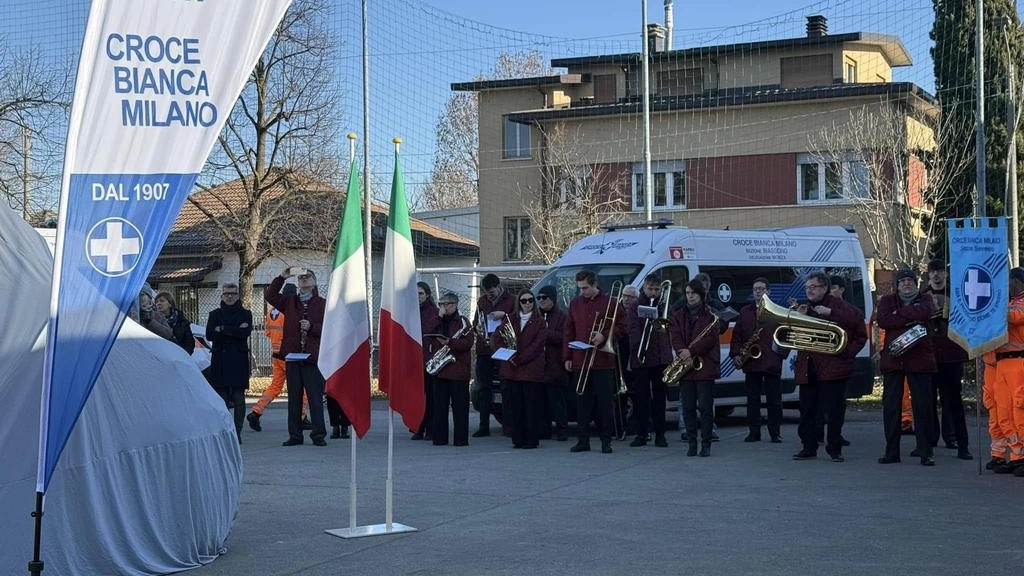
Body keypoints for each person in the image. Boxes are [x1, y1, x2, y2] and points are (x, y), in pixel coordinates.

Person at [791, 271, 867, 463]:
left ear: (825, 288)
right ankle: (808, 447)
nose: (809, 291)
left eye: (813, 287)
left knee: (833, 411)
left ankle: (834, 449)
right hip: (808, 366)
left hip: (834, 367)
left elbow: (859, 328)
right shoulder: (804, 307)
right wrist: (797, 319)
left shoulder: (838, 306)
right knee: (807, 410)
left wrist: (831, 314)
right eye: (807, 287)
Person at [265, 267, 336, 446]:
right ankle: (295, 435)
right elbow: (270, 296)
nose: (304, 280)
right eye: (301, 278)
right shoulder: (290, 302)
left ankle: (318, 434)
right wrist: (282, 277)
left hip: (312, 358)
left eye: (307, 277)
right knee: (294, 399)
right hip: (293, 358)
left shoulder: (322, 304)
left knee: (315, 398)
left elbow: (331, 329)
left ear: (314, 282)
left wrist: (312, 327)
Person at [876, 268, 938, 467]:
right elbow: (884, 320)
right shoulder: (887, 301)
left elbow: (927, 312)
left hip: (920, 360)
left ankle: (925, 451)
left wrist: (900, 313)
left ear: (916, 283)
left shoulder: (926, 299)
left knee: (923, 407)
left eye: (910, 280)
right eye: (902, 281)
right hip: (894, 360)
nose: (906, 284)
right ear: (897, 285)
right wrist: (912, 317)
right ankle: (891, 451)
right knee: (891, 408)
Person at [564, 270, 625, 454]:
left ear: (594, 285)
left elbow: (622, 327)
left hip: (603, 360)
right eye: (580, 288)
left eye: (586, 288)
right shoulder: (575, 304)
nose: (583, 291)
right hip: (580, 359)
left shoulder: (611, 303)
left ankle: (606, 440)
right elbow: (568, 331)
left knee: (605, 403)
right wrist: (567, 356)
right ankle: (583, 440)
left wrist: (604, 335)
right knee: (581, 402)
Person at [920, 259, 972, 459]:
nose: (937, 275)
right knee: (927, 401)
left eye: (940, 271)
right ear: (928, 274)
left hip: (952, 355)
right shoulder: (923, 296)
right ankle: (930, 440)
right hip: (928, 357)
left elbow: (967, 319)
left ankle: (959, 443)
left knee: (953, 402)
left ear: (946, 274)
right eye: (933, 271)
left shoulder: (957, 295)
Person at [669, 279, 721, 457]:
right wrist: (681, 352)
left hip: (705, 366)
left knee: (706, 408)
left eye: (693, 293)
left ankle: (706, 443)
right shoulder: (678, 314)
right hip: (686, 367)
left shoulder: (711, 315)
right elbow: (674, 335)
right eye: (688, 293)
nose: (690, 296)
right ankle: (692, 443)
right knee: (688, 407)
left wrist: (689, 351)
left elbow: (710, 339)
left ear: (701, 295)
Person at [247, 283, 309, 432]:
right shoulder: (290, 311)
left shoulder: (271, 311)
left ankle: (256, 411)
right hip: (290, 355)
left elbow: (268, 333)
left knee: (275, 386)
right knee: (303, 388)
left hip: (276, 355)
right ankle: (301, 418)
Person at [730, 277, 784, 443]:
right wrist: (736, 354)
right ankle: (754, 432)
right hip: (751, 362)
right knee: (753, 400)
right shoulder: (745, 312)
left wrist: (780, 355)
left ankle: (775, 432)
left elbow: (785, 335)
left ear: (768, 291)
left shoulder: (777, 311)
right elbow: (737, 335)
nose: (758, 292)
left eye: (761, 289)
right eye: (755, 289)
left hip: (771, 361)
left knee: (774, 400)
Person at [496, 289, 547, 449]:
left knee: (531, 407)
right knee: (515, 407)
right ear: (518, 302)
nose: (527, 304)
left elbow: (538, 345)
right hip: (511, 371)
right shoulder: (509, 319)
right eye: (523, 301)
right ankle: (518, 439)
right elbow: (498, 338)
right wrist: (506, 354)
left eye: (530, 300)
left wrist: (519, 358)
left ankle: (531, 440)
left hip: (530, 371)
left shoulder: (540, 321)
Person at [627, 275, 672, 447]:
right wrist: (640, 349)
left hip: (661, 358)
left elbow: (670, 326)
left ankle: (661, 434)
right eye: (650, 289)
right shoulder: (634, 306)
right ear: (644, 288)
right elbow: (632, 330)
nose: (653, 293)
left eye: (656, 289)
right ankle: (642, 433)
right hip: (642, 357)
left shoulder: (664, 305)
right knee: (641, 398)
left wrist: (661, 313)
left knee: (660, 398)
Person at [206, 283, 253, 443]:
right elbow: (210, 335)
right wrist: (234, 330)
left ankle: (237, 431)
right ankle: (226, 430)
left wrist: (223, 329)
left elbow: (244, 333)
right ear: (222, 296)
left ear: (238, 295)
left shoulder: (246, 314)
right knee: (222, 398)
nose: (230, 296)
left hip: (238, 359)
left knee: (239, 398)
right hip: (221, 359)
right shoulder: (214, 314)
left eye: (233, 293)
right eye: (226, 294)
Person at [472, 273, 515, 437]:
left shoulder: (512, 300)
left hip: (502, 349)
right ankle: (484, 426)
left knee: (505, 387)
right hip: (485, 349)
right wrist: (477, 328)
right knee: (484, 388)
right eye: (486, 292)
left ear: (498, 287)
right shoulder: (482, 302)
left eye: (492, 292)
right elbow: (477, 321)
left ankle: (508, 426)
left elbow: (519, 319)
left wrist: (504, 315)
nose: (489, 295)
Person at [991, 267, 1024, 476]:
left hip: (1019, 362)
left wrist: (992, 304)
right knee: (1004, 412)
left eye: (1009, 282)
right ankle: (1015, 456)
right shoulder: (1010, 302)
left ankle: (1022, 456)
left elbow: (1014, 317)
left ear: (1017, 282)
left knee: (1019, 410)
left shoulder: (1018, 304)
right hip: (1002, 363)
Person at [432, 292, 474, 446]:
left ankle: (461, 440)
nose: (443, 307)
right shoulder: (438, 320)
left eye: (446, 304)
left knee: (460, 408)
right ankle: (440, 439)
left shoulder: (463, 322)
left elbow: (467, 344)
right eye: (441, 304)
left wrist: (449, 342)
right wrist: (438, 317)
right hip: (440, 371)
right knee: (439, 407)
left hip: (458, 371)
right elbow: (428, 331)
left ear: (455, 305)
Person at [538, 285, 570, 441]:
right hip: (540, 366)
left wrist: (546, 332)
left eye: (545, 298)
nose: (541, 301)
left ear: (552, 299)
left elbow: (565, 338)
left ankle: (562, 430)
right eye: (539, 298)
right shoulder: (537, 316)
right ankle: (544, 431)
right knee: (542, 402)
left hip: (555, 365)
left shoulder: (562, 316)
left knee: (557, 401)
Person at [415, 282, 442, 441]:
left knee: (431, 397)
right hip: (414, 360)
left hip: (429, 359)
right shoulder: (410, 312)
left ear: (427, 295)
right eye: (416, 294)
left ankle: (430, 428)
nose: (418, 297)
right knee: (417, 396)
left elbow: (427, 331)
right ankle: (418, 427)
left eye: (421, 294)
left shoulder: (435, 312)